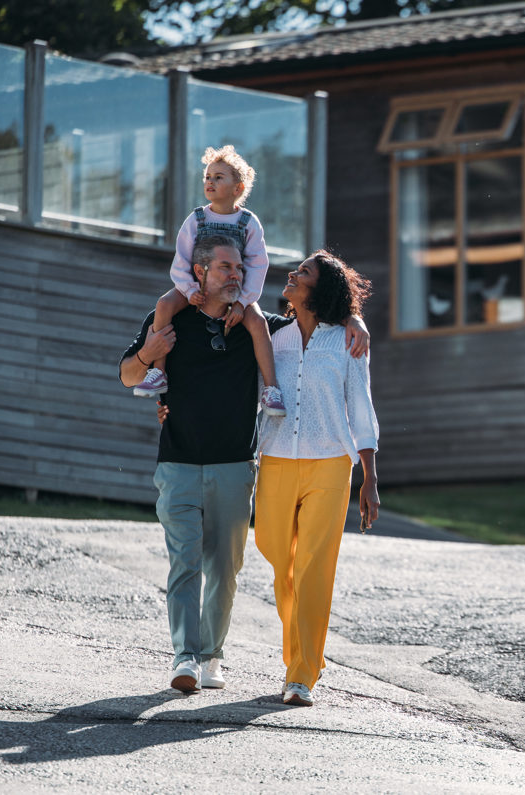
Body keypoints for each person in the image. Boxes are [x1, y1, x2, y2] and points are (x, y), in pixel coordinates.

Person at [120, 235, 370, 693]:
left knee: (225, 566)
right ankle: (185, 655)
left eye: (240, 268)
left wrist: (354, 315)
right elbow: (128, 376)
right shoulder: (171, 317)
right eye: (226, 268)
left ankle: (230, 658)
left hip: (237, 465)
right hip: (178, 461)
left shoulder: (263, 327)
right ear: (200, 272)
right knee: (188, 562)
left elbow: (320, 318)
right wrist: (147, 357)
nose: (237, 276)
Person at [253, 250, 380, 707]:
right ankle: (302, 657)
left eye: (303, 272)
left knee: (314, 567)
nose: (293, 273)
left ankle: (302, 672)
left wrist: (369, 475)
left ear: (320, 287)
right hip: (277, 458)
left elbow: (361, 406)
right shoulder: (273, 334)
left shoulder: (347, 341)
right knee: (274, 553)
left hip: (330, 463)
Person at [132, 145, 287, 418]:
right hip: (196, 289)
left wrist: (242, 302)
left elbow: (257, 265)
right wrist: (190, 289)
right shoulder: (196, 218)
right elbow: (181, 261)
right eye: (207, 177)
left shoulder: (249, 223)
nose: (210, 182)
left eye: (218, 177)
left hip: (234, 292)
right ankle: (158, 371)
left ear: (238, 188)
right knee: (164, 304)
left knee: (258, 322)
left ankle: (271, 389)